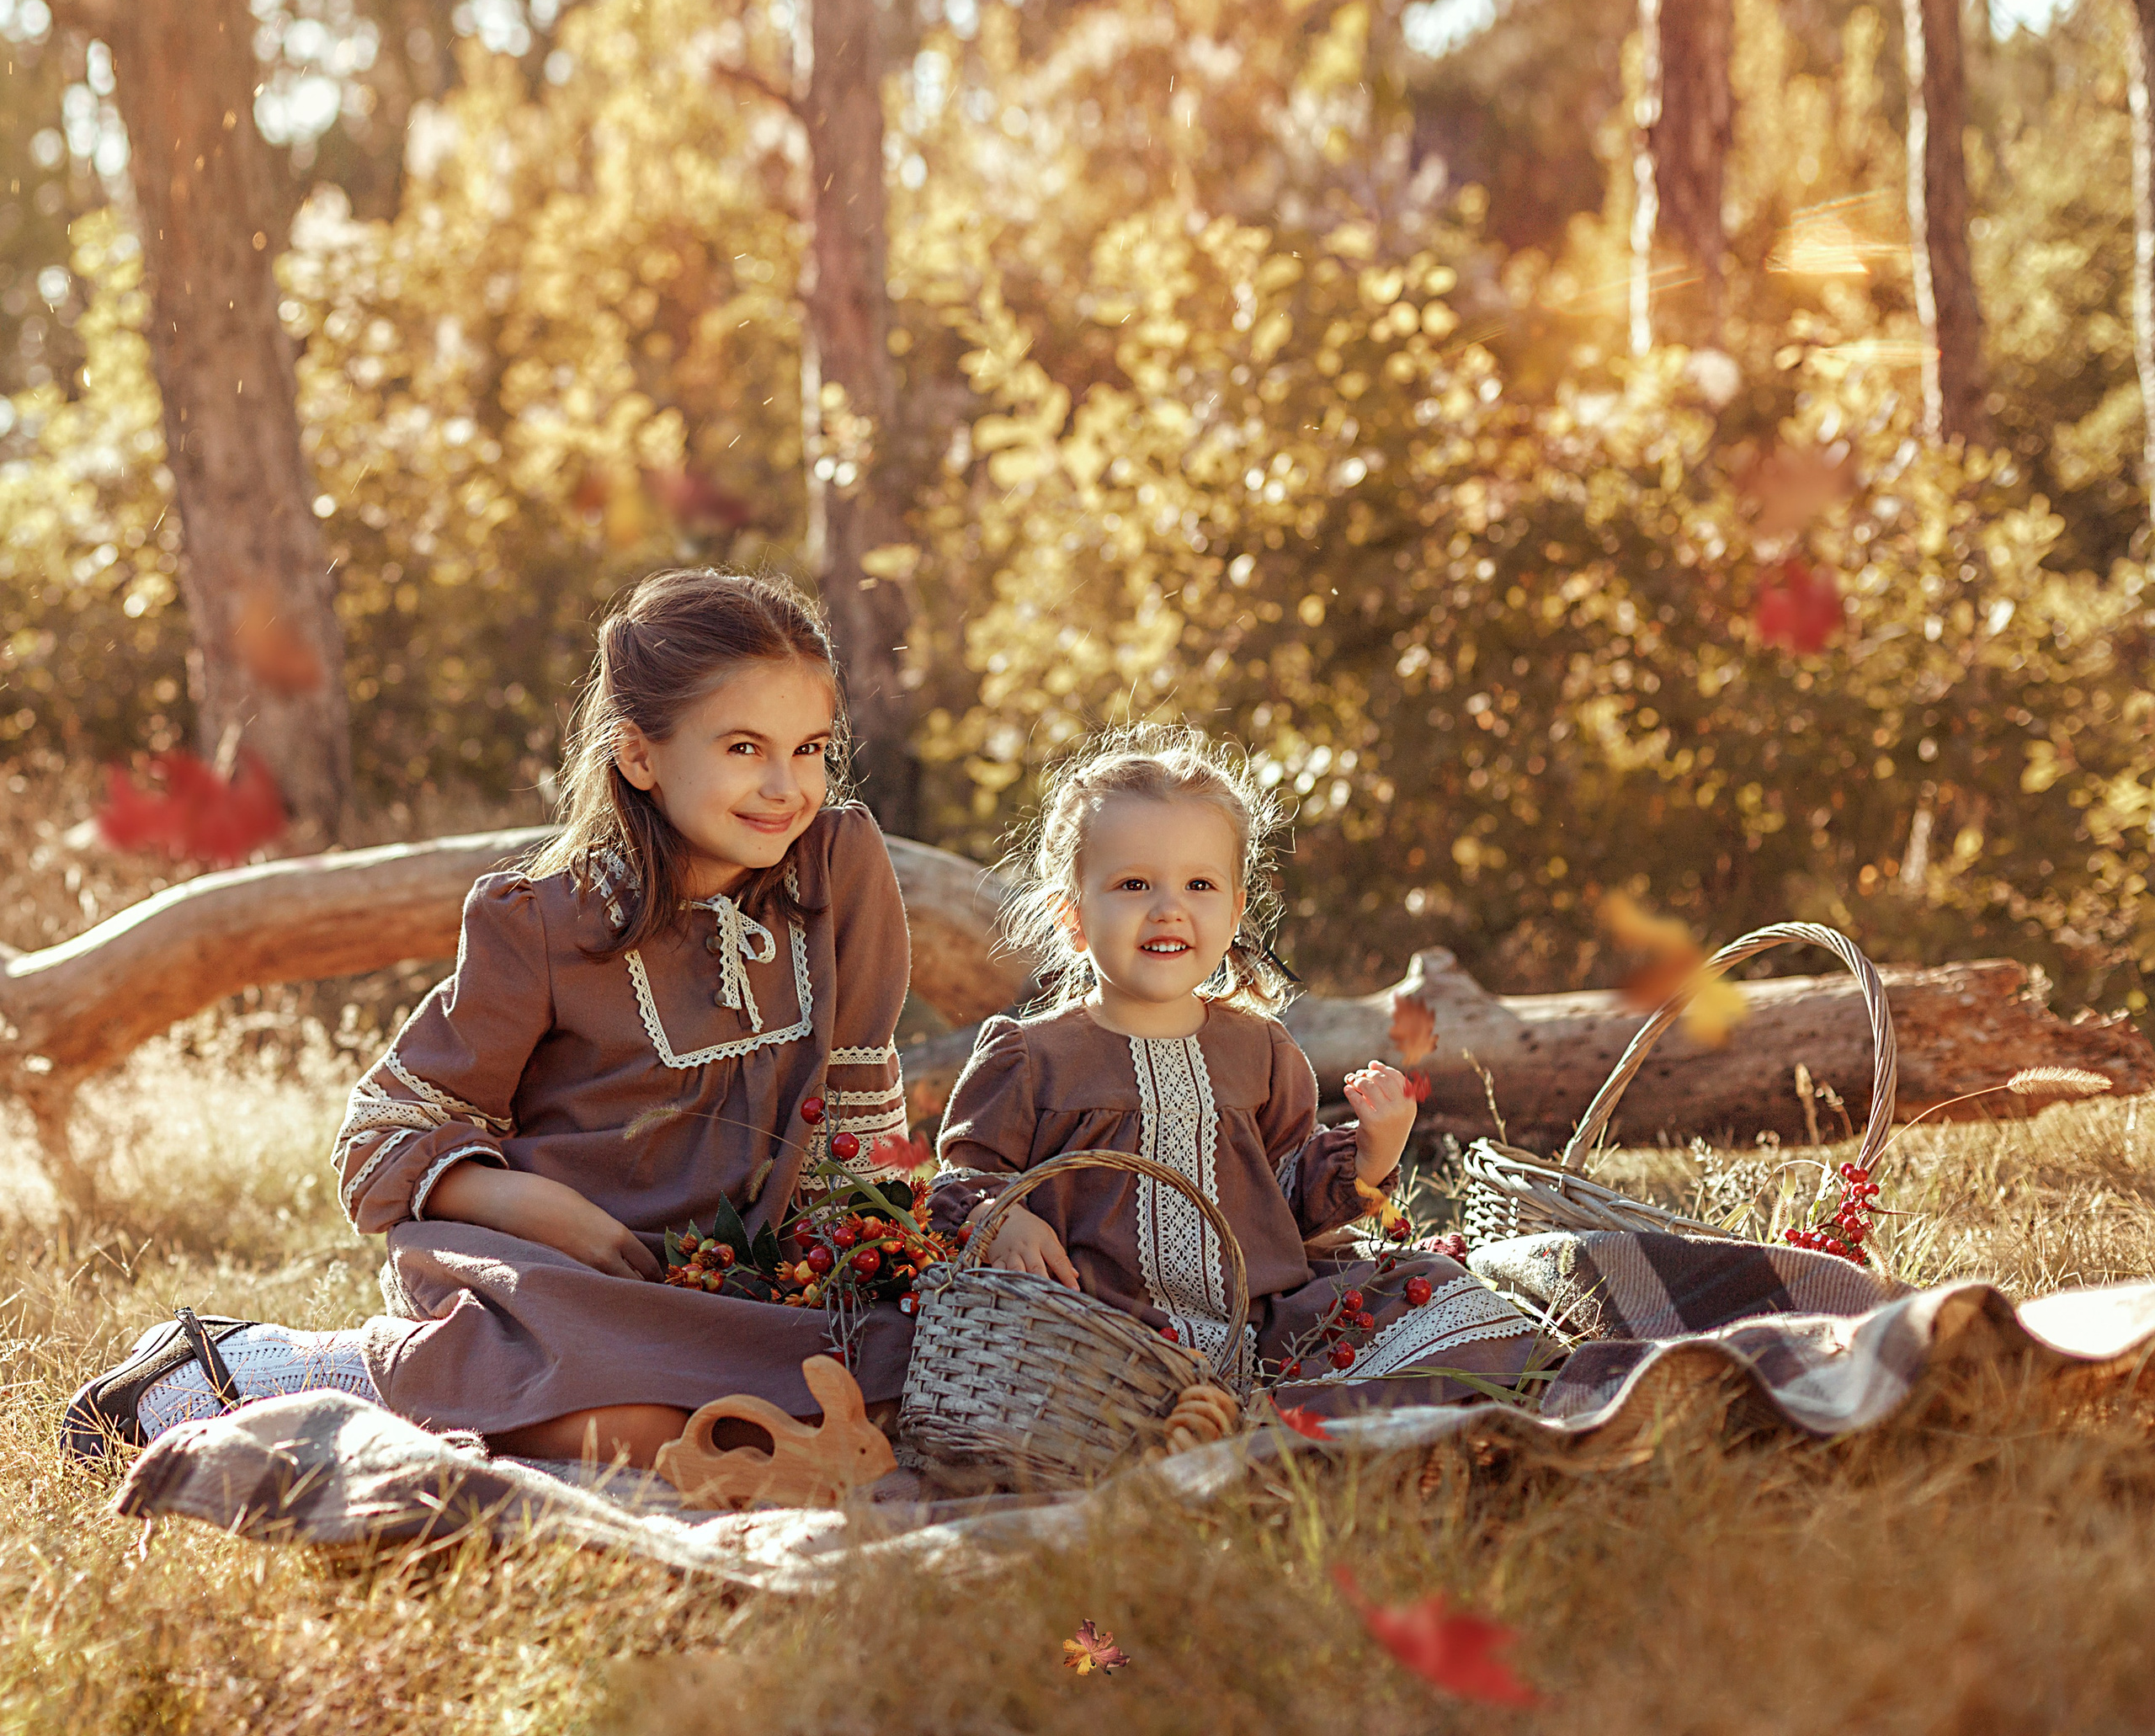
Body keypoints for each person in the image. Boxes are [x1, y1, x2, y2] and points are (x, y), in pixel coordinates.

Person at [65, 569, 913, 1468]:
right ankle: (275, 1370)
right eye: (744, 747)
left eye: (810, 748)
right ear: (639, 757)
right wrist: (535, 1205)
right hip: (563, 1278)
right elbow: (379, 1135)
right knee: (637, 1427)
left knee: (886, 1386)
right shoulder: (543, 924)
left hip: (747, 1277)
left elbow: (857, 1100)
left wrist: (867, 1252)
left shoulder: (838, 869)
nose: (786, 786)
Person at [927, 727, 1545, 1410]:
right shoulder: (1029, 1057)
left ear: (1235, 910)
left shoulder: (1261, 1050)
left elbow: (1290, 1197)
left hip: (1269, 1327)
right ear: (1071, 915)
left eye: (1200, 884)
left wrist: (1376, 1149)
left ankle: (1313, 1408)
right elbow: (962, 1183)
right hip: (1099, 1333)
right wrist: (1002, 1218)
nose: (1169, 908)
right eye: (1133, 884)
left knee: (1436, 1288)